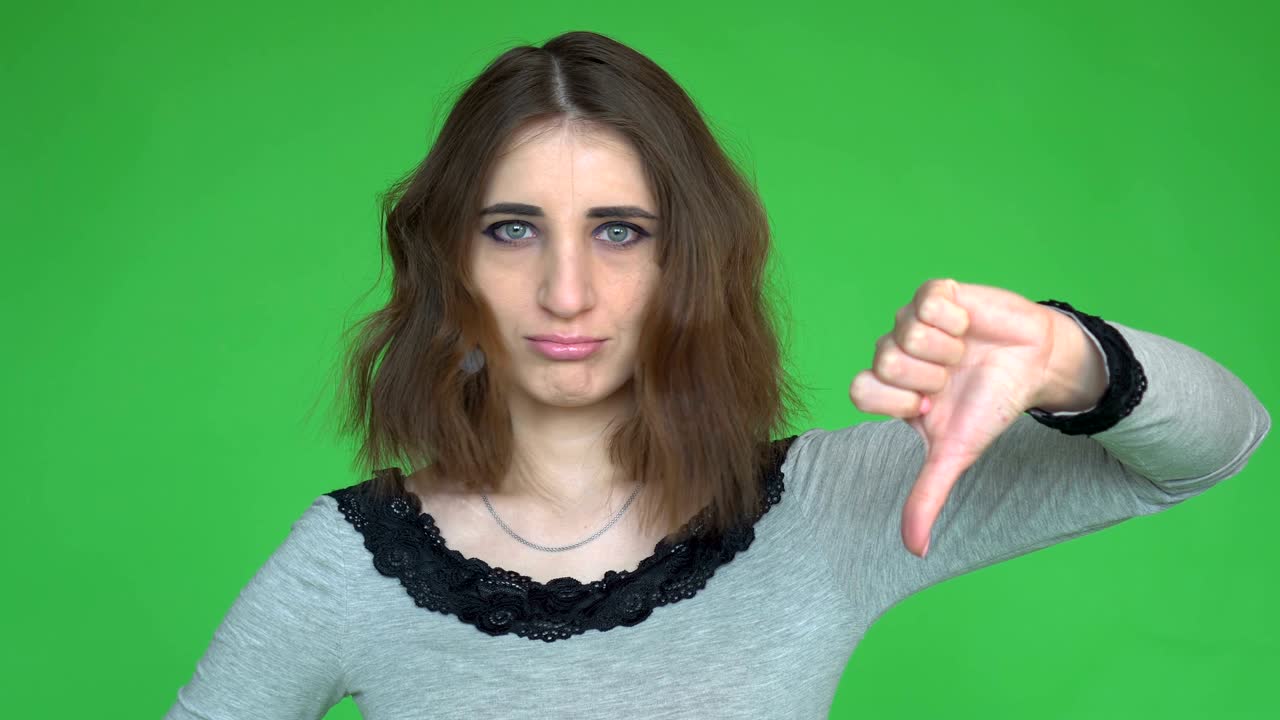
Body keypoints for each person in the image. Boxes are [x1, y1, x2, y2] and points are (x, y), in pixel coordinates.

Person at [164, 30, 1271, 719]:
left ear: (684, 259)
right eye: (512, 230)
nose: (564, 292)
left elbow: (1215, 445)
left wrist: (1071, 358)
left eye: (617, 232)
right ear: (448, 258)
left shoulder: (824, 510)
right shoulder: (349, 563)